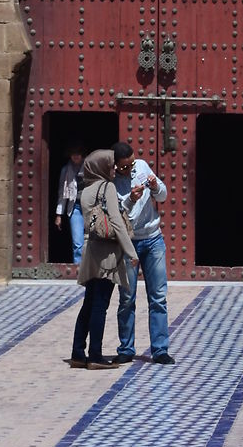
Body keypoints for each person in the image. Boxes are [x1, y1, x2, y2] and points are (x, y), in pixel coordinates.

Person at [70, 149, 138, 371]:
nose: (114, 169)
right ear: (100, 167)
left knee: (89, 304)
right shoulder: (106, 187)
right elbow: (116, 222)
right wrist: (131, 252)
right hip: (107, 255)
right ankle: (96, 356)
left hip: (92, 251)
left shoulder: (87, 189)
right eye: (110, 166)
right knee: (100, 305)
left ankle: (78, 353)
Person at [112, 139, 174, 365]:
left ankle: (160, 350)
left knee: (158, 297)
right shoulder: (112, 181)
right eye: (125, 167)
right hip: (128, 244)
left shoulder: (142, 167)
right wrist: (130, 198)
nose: (130, 170)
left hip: (153, 240)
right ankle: (126, 348)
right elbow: (118, 213)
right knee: (127, 298)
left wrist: (155, 186)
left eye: (131, 164)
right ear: (116, 165)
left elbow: (163, 196)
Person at [54, 143, 85, 264]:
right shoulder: (66, 170)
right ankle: (78, 269)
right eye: (73, 154)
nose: (76, 156)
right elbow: (62, 193)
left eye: (78, 153)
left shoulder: (91, 167)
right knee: (77, 242)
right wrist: (58, 214)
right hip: (75, 207)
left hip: (91, 207)